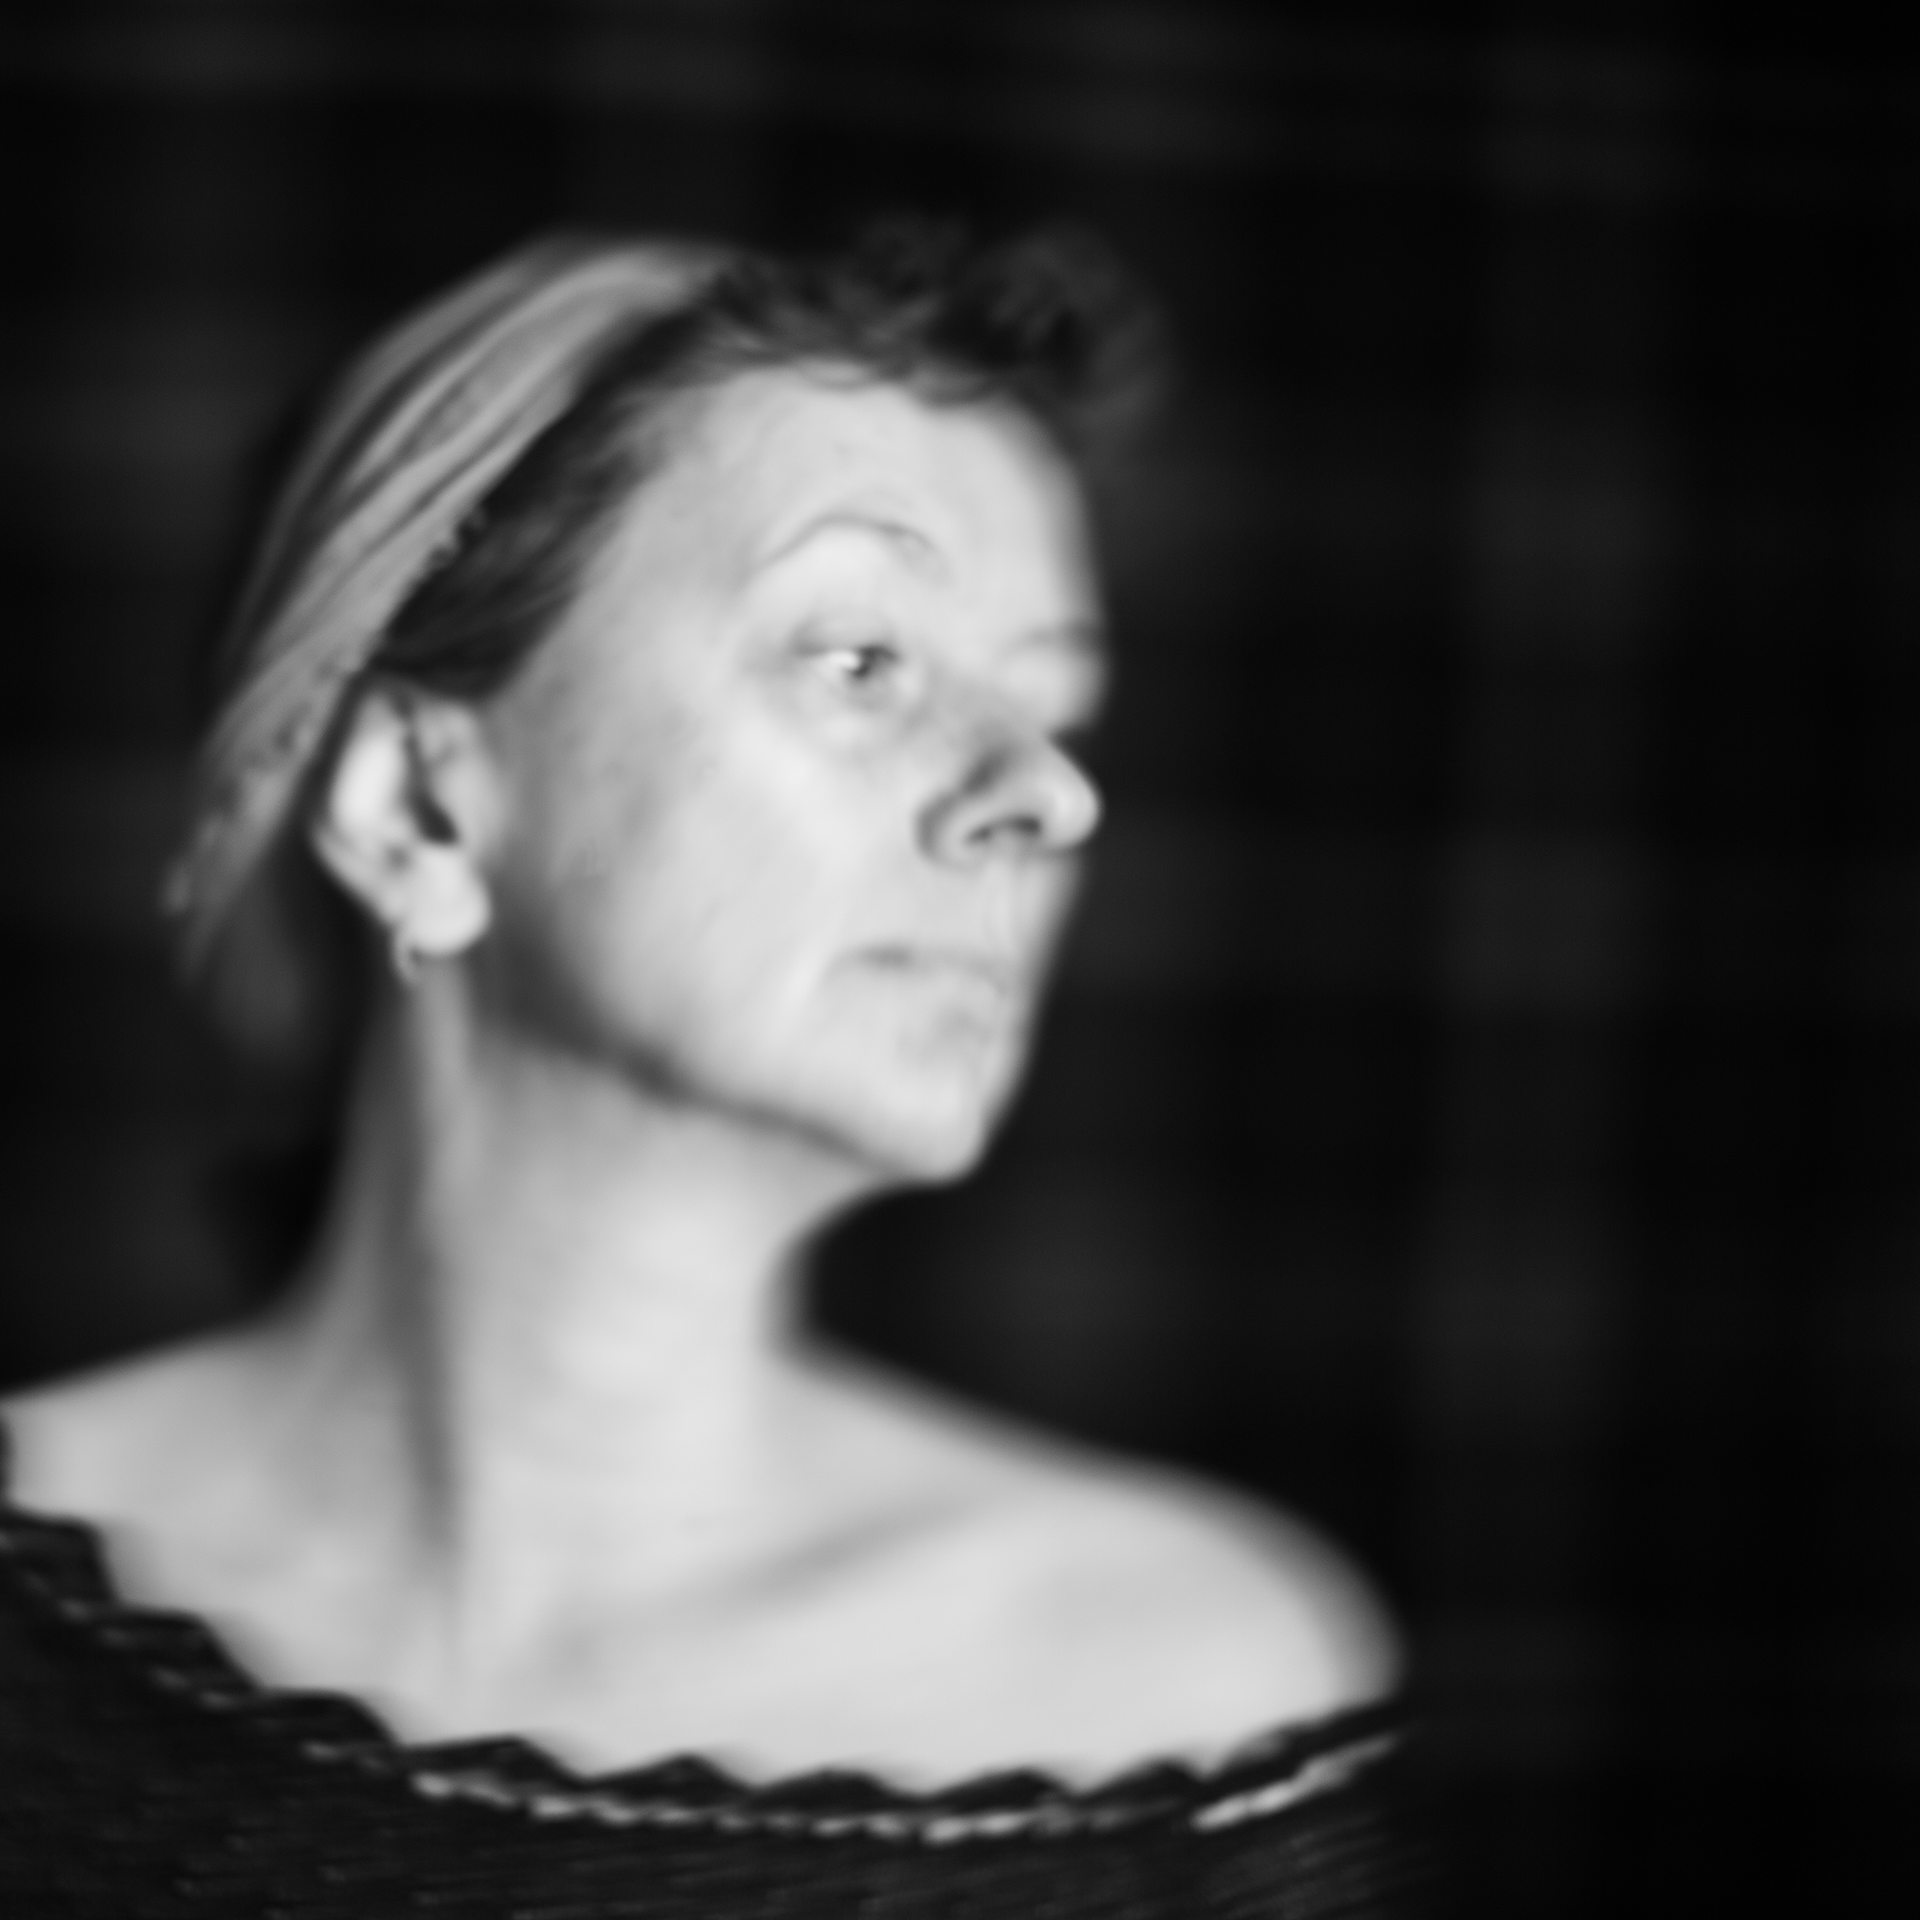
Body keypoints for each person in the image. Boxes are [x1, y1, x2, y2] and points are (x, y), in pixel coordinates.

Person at [0, 221, 1421, 1914]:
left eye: (1060, 709)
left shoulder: (1199, 1694)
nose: (1050, 796)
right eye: (860, 659)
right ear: (420, 808)